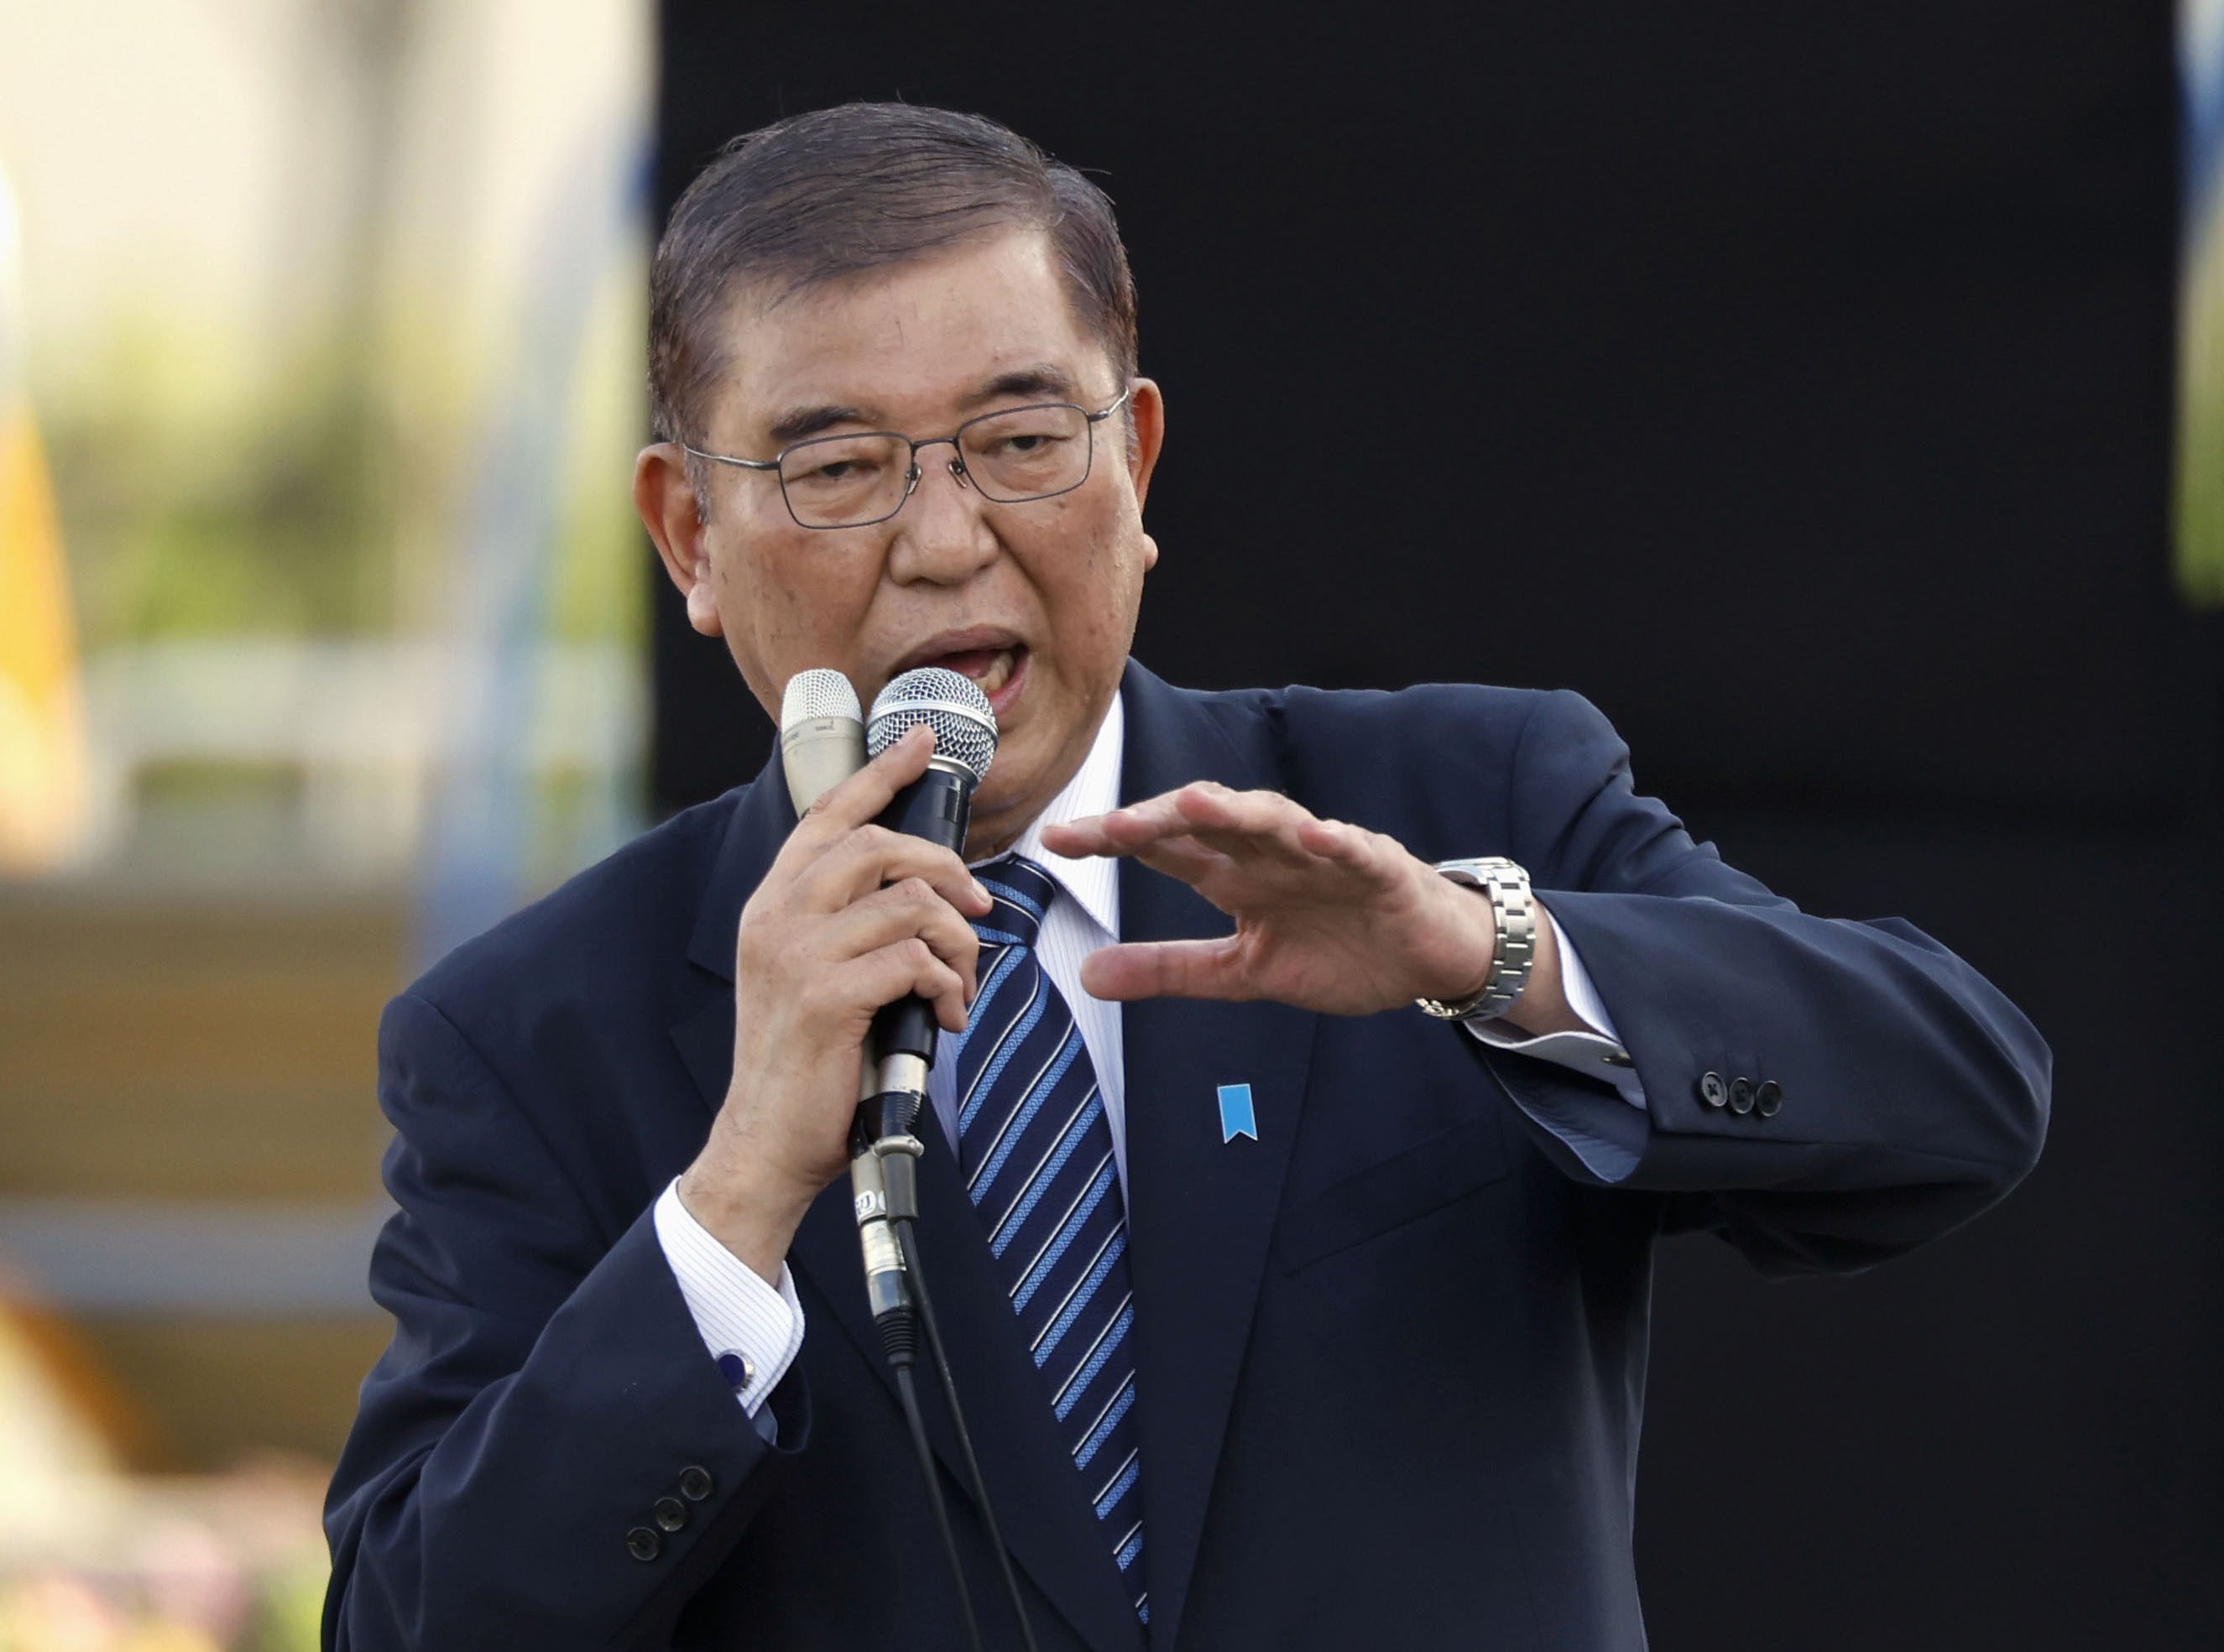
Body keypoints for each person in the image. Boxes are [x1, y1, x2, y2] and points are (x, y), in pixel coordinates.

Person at [321, 103, 2049, 1651]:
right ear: (690, 538)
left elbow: (1957, 1096)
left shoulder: (1448, 802)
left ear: (1135, 462)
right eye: (840, 469)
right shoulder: (538, 1033)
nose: (943, 539)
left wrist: (1480, 951)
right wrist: (732, 1200)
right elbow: (419, 1618)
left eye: (1019, 440)